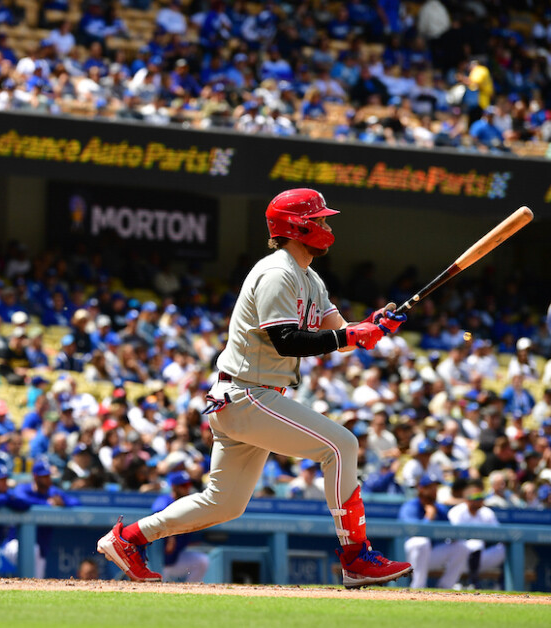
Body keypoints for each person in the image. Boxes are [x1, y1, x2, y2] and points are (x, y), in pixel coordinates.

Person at [96, 189, 412, 588]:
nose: (327, 227)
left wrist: (374, 325)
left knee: (224, 503)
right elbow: (287, 340)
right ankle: (355, 557)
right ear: (298, 226)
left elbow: (339, 334)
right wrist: (352, 336)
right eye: (320, 220)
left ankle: (128, 539)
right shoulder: (277, 272)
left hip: (249, 398)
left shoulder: (309, 277)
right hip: (248, 394)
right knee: (342, 446)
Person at [399, 475, 469, 589]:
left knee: (461, 547)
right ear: (421, 489)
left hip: (430, 553)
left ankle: (445, 587)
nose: (434, 491)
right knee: (421, 542)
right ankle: (418, 586)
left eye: (435, 488)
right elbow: (414, 532)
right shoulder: (410, 507)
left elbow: (451, 532)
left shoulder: (439, 508)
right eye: (430, 488)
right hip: (407, 556)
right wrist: (429, 517)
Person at [151, 471, 210, 582]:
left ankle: (191, 591)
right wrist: (170, 535)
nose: (187, 488)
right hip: (157, 561)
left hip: (174, 559)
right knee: (156, 590)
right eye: (184, 485)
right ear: (174, 487)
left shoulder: (188, 504)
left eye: (188, 485)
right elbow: (157, 514)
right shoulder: (165, 500)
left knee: (202, 561)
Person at [447, 480, 506, 588]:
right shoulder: (457, 512)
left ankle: (501, 584)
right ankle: (467, 581)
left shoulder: (487, 512)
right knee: (472, 544)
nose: (479, 500)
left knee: (503, 548)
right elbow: (452, 537)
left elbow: (499, 534)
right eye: (476, 497)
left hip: (482, 557)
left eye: (481, 497)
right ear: (466, 499)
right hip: (459, 557)